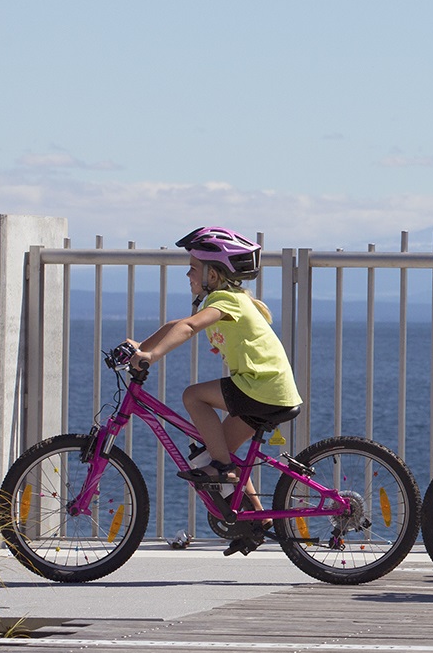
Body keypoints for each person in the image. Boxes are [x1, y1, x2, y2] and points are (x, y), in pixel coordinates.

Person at [127, 227, 303, 556]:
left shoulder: (226, 300)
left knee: (193, 397)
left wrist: (151, 356)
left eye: (194, 267)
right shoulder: (223, 300)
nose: (188, 273)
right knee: (216, 450)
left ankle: (224, 470)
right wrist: (141, 346)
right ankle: (255, 522)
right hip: (268, 390)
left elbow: (189, 327)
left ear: (213, 273)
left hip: (261, 386)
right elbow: (176, 325)